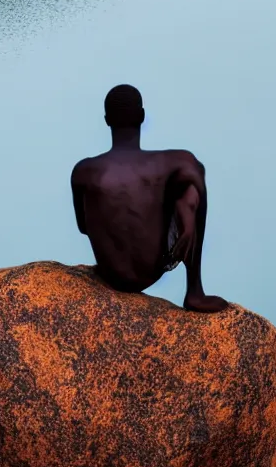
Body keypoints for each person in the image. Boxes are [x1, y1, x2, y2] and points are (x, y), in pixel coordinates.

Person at [70, 84, 228, 313]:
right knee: (191, 187)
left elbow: (83, 228)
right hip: (152, 268)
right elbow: (196, 171)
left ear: (107, 120)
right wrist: (187, 209)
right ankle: (194, 290)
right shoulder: (167, 164)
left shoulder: (84, 171)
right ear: (142, 116)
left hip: (110, 273)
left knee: (188, 186)